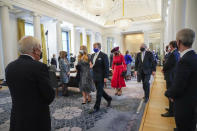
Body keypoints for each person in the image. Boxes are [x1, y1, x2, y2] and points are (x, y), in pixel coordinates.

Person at [5, 36, 55, 131]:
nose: (40, 52)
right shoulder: (39, 67)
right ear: (36, 50)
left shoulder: (9, 67)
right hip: (37, 119)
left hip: (17, 117)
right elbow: (49, 96)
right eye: (40, 49)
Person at [165, 28, 197, 131]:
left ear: (178, 42)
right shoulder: (194, 56)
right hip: (192, 102)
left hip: (184, 105)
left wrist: (168, 93)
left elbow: (178, 86)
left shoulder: (184, 61)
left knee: (184, 126)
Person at [89, 42, 112, 113]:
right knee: (100, 90)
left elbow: (106, 67)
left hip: (101, 76)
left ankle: (96, 107)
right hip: (94, 76)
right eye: (93, 47)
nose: (94, 48)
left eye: (95, 47)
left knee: (99, 92)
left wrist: (106, 77)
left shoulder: (104, 55)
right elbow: (91, 63)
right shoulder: (92, 55)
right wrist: (90, 65)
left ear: (99, 47)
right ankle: (108, 98)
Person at [161, 41, 180, 117]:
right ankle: (171, 108)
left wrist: (163, 69)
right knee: (170, 92)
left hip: (171, 75)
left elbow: (168, 64)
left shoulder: (173, 54)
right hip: (172, 75)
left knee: (170, 93)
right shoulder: (176, 52)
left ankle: (171, 112)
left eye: (169, 46)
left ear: (171, 46)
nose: (168, 47)